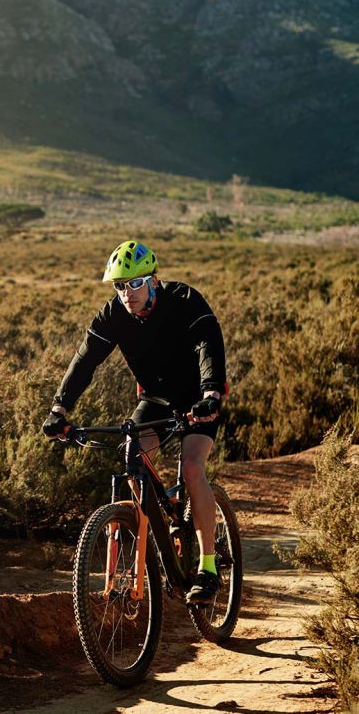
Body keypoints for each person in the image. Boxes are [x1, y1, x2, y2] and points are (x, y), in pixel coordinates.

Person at [42, 240, 227, 604]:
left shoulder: (185, 300)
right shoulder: (112, 316)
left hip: (197, 400)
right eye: (120, 286)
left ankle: (207, 568)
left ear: (154, 280)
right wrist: (59, 411)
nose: (127, 293)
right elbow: (85, 361)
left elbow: (209, 343)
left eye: (135, 283)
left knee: (191, 467)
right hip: (154, 401)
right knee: (133, 458)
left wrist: (211, 393)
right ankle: (156, 533)